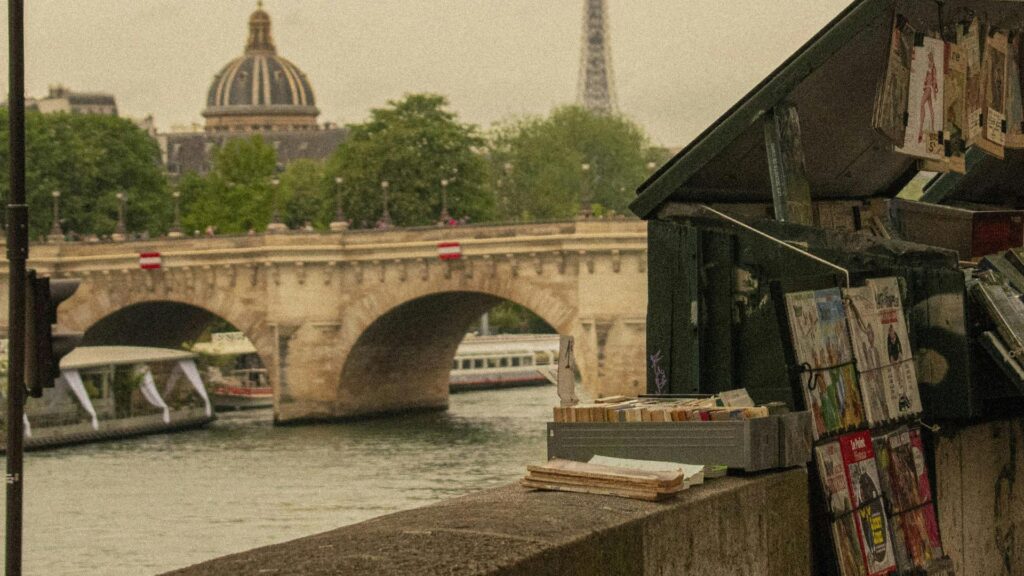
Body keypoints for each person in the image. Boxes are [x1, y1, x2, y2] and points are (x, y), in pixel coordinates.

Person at [918, 49, 939, 144]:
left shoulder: (932, 68)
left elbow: (934, 81)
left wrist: (934, 92)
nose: (929, 58)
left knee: (922, 104)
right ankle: (930, 130)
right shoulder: (930, 66)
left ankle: (921, 130)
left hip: (928, 89)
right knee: (930, 109)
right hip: (928, 88)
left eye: (930, 56)